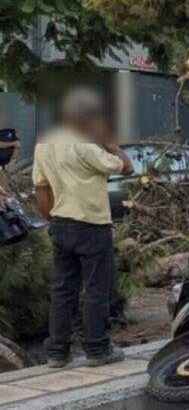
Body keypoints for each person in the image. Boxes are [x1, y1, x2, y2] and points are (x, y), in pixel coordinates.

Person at [32, 88, 133, 368]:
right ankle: (97, 349)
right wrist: (109, 142)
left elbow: (40, 187)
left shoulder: (44, 145)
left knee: (63, 289)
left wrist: (50, 218)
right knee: (96, 288)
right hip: (91, 226)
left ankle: (57, 352)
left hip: (61, 224)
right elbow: (126, 167)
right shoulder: (85, 147)